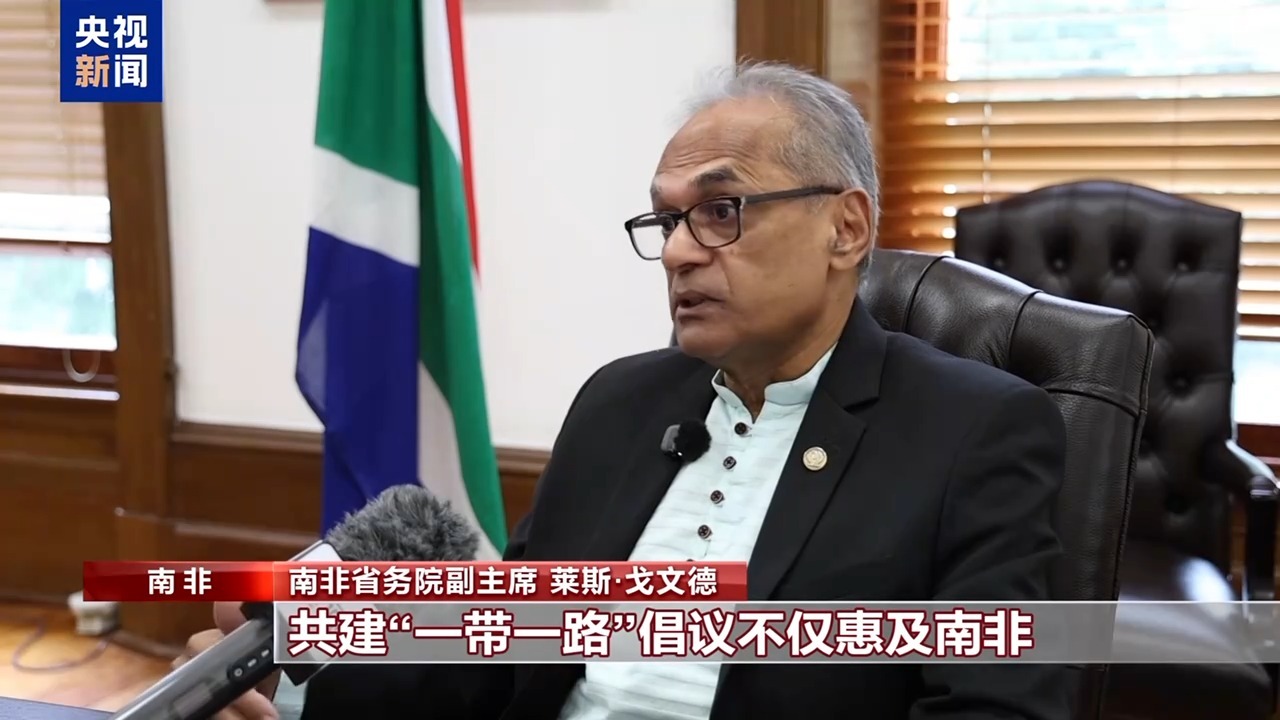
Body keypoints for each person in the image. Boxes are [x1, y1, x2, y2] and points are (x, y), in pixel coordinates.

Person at [178, 61, 1071, 720]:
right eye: (667, 218)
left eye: (720, 211)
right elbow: (500, 669)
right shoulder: (621, 404)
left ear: (846, 227)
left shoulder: (975, 432)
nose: (678, 250)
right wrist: (299, 687)